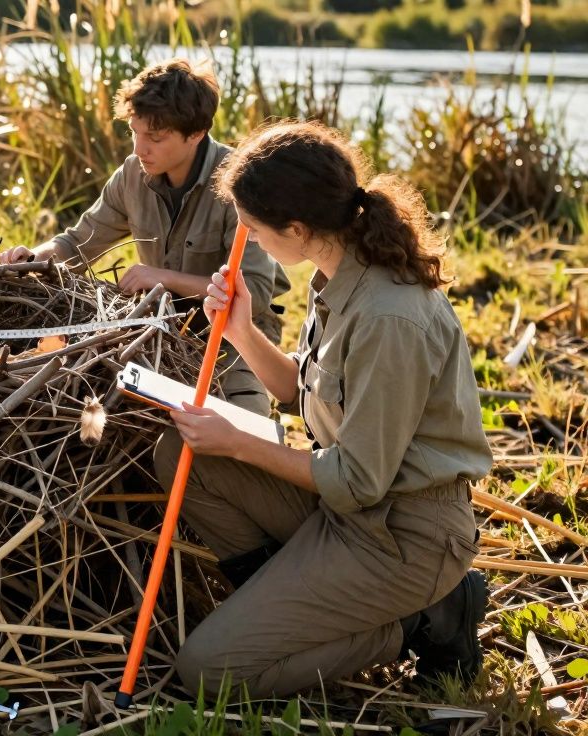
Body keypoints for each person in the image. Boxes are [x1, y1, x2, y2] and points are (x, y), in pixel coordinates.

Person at [156, 121, 492, 697]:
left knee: (208, 671)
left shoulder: (389, 318)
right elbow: (300, 394)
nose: (249, 238)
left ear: (297, 227)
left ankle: (418, 623)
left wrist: (238, 441)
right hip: (349, 512)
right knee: (182, 455)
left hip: (403, 536)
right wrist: (240, 331)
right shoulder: (336, 275)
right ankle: (290, 604)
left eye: (255, 227)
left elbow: (358, 479)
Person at [0, 58, 289, 415]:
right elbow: (76, 244)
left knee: (245, 428)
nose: (139, 148)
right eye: (134, 132)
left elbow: (256, 292)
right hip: (161, 332)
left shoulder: (239, 184)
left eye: (155, 137)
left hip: (240, 339)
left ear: (196, 133)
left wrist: (163, 278)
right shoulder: (132, 175)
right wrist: (34, 258)